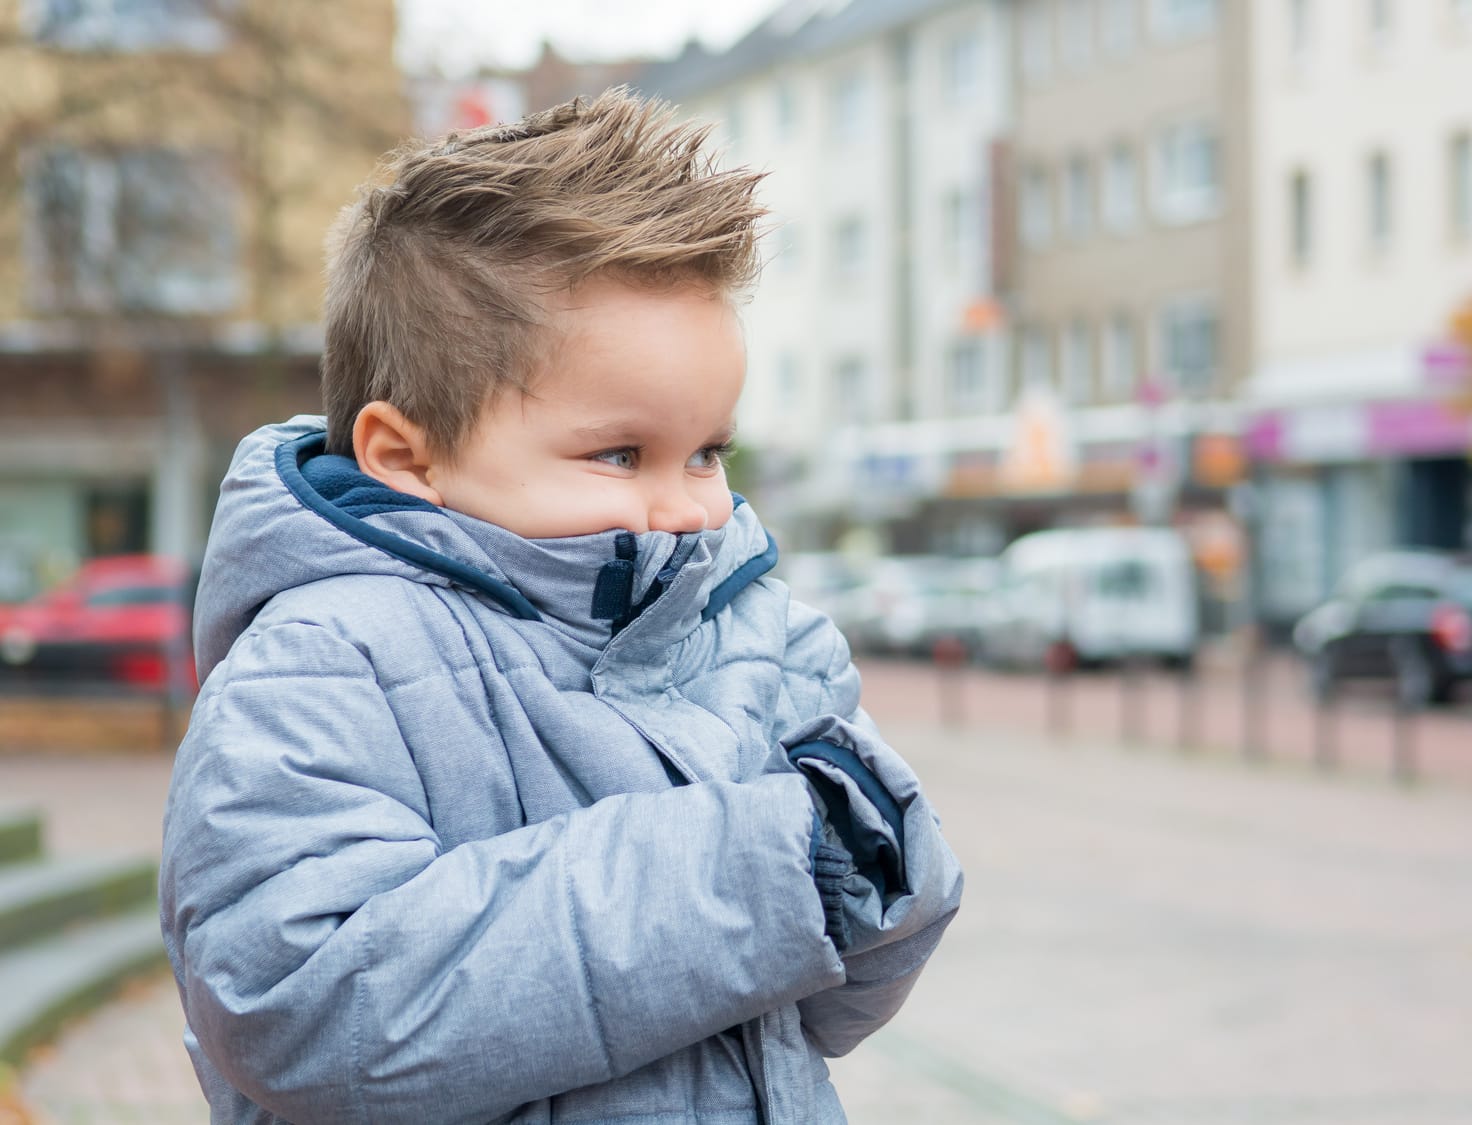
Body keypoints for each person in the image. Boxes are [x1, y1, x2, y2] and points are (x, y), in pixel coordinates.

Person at [158, 88, 964, 1125]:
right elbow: (302, 1012)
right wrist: (758, 872)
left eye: (708, 450)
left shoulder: (758, 638)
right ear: (408, 457)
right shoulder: (322, 661)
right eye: (619, 454)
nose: (688, 506)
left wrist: (887, 882)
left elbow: (820, 1017)